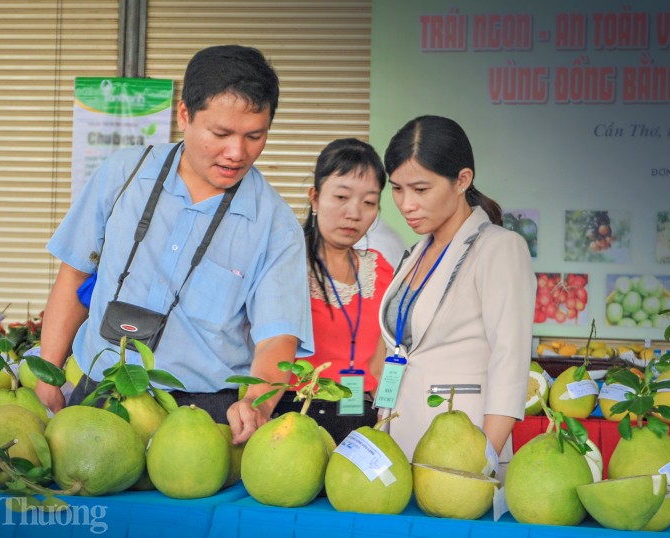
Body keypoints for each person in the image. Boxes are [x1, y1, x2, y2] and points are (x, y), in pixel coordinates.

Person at [35, 45, 314, 444]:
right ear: (184, 115)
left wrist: (258, 402)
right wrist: (49, 371)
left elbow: (277, 336)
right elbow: (74, 275)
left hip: (202, 417)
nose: (237, 153)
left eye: (255, 135)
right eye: (221, 134)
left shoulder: (276, 225)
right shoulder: (122, 175)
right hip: (98, 397)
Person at [371, 115, 536, 477]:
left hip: (461, 452)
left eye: (420, 189)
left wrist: (482, 461)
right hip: (396, 444)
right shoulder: (414, 253)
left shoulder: (499, 248)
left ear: (462, 180)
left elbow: (510, 362)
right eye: (397, 189)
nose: (406, 204)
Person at [272, 138, 393, 445]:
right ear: (314, 197)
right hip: (296, 414)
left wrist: (386, 409)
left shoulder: (380, 271)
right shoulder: (285, 265)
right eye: (341, 196)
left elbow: (382, 357)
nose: (354, 213)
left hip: (362, 416)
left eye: (368, 202)